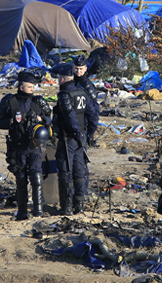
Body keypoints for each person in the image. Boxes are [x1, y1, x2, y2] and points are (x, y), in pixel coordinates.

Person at [0, 71, 52, 220]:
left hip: (35, 146)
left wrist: (40, 118)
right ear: (21, 87)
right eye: (29, 86)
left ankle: (38, 210)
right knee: (20, 177)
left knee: (36, 175)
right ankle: (22, 212)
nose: (32, 89)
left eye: (33, 86)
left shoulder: (38, 101)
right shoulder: (10, 101)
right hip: (18, 145)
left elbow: (49, 119)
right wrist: (11, 121)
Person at [53, 67, 95, 215]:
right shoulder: (82, 92)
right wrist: (88, 134)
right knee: (79, 172)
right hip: (80, 138)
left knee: (66, 173)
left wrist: (76, 132)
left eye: (58, 78)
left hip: (68, 139)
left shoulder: (64, 95)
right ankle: (80, 205)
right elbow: (93, 113)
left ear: (62, 79)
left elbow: (70, 117)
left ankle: (67, 207)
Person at [72, 55, 100, 147]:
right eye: (76, 68)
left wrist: (91, 134)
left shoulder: (87, 86)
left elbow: (95, 111)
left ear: (85, 69)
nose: (78, 71)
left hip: (83, 125)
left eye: (81, 69)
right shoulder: (70, 82)